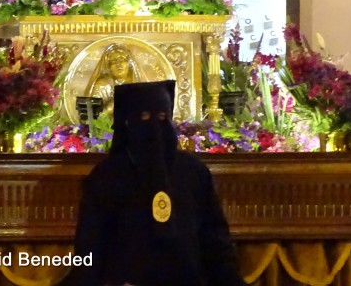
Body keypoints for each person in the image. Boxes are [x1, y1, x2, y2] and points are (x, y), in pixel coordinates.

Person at [70, 81, 245, 286]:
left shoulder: (193, 172)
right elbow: (90, 247)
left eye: (162, 118)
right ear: (128, 121)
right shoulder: (107, 176)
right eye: (144, 117)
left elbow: (215, 243)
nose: (154, 126)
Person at [86, 43, 140, 117]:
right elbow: (91, 118)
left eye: (122, 60)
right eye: (114, 61)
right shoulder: (102, 86)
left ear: (129, 64)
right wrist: (110, 107)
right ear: (108, 67)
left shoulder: (138, 85)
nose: (119, 64)